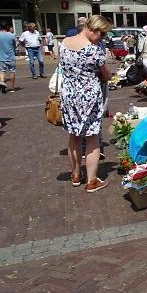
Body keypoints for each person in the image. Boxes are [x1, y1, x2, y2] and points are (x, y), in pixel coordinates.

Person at [59, 15, 112, 192]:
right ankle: (92, 181)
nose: (103, 38)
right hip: (88, 96)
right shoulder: (94, 49)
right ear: (93, 29)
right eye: (102, 34)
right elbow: (105, 75)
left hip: (68, 94)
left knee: (73, 136)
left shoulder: (64, 43)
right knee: (92, 138)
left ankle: (75, 175)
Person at [0, 24, 17, 92]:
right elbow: (14, 44)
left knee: (2, 72)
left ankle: (3, 85)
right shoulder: (12, 35)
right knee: (12, 71)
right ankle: (12, 87)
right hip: (11, 56)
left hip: (1, 56)